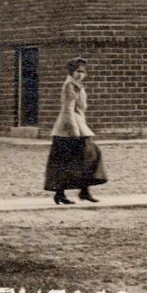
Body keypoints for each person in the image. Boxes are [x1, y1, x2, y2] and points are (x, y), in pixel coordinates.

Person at [45, 58, 107, 205]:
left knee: (87, 157)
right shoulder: (69, 86)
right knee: (67, 160)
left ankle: (83, 191)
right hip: (68, 129)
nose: (80, 75)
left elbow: (80, 109)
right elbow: (67, 110)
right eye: (77, 71)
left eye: (83, 72)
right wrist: (74, 131)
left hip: (78, 126)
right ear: (71, 72)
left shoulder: (77, 86)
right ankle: (61, 193)